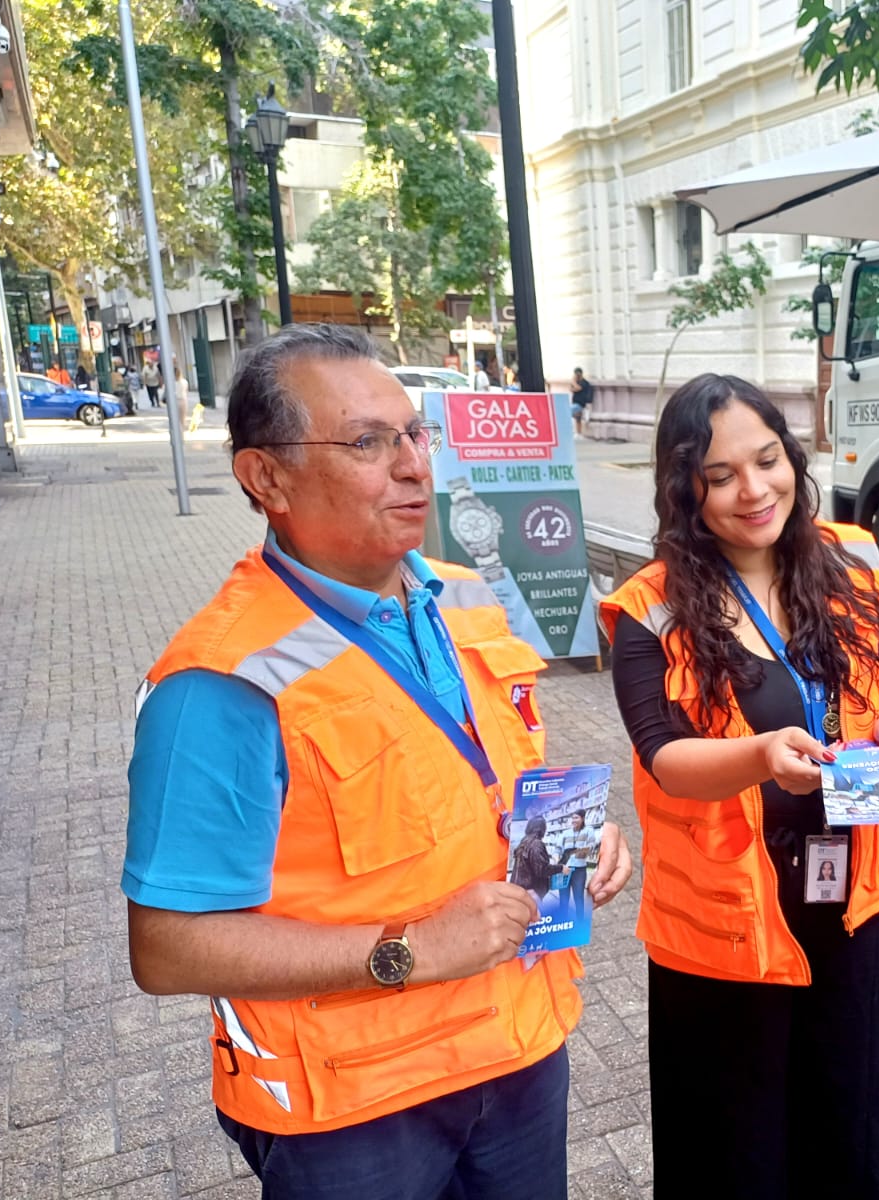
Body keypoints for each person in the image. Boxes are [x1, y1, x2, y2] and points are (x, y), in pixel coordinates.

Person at [123, 322, 634, 1200]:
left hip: (517, 1048)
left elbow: (480, 779)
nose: (413, 467)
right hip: (356, 1110)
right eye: (368, 442)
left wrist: (581, 842)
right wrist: (407, 951)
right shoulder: (221, 681)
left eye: (414, 434)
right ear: (266, 477)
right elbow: (167, 948)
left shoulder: (464, 594)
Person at [600, 373, 879, 1200]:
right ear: (685, 489)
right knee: (735, 1145)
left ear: (793, 457)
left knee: (849, 1128)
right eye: (719, 476)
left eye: (767, 459)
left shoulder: (852, 557)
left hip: (858, 898)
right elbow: (661, 756)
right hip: (726, 921)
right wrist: (758, 754)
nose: (754, 490)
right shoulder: (653, 606)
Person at [509, 816, 561, 912]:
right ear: (542, 829)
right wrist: (561, 868)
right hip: (532, 890)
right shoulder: (536, 844)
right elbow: (542, 870)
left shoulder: (525, 840)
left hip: (520, 888)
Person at [559, 810, 599, 921]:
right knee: (563, 897)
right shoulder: (566, 833)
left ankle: (580, 921)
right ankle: (562, 921)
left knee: (579, 897)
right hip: (564, 868)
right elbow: (558, 848)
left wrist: (580, 851)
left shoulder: (588, 831)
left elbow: (592, 844)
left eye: (576, 818)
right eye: (572, 818)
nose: (573, 820)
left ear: (582, 819)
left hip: (579, 870)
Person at [569, 367, 593, 437]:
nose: (577, 376)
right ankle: (578, 433)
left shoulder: (584, 382)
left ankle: (575, 432)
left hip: (580, 403)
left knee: (568, 412)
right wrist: (574, 384)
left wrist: (573, 382)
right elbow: (571, 389)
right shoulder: (577, 382)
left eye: (578, 374)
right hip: (575, 402)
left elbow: (578, 388)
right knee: (577, 418)